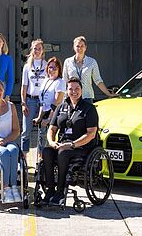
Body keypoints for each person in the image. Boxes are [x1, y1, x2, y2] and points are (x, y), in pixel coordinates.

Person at [41, 77, 99, 205]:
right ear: (66, 91)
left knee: (63, 152)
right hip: (63, 143)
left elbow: (91, 134)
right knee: (46, 151)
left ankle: (60, 192)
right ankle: (50, 190)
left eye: (77, 88)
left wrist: (73, 144)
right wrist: (51, 142)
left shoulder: (89, 108)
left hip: (82, 146)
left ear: (82, 91)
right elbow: (52, 128)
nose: (74, 91)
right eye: (71, 89)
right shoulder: (61, 107)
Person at [62, 35, 115, 101]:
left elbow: (98, 80)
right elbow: (64, 81)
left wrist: (108, 93)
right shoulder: (68, 61)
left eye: (82, 46)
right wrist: (63, 97)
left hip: (87, 97)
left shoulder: (92, 62)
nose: (80, 48)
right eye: (77, 46)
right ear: (74, 47)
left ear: (85, 47)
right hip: (72, 97)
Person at [31, 56, 66, 154]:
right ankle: (41, 164)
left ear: (59, 69)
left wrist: (49, 119)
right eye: (50, 67)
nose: (52, 70)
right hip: (45, 112)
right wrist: (39, 117)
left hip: (55, 114)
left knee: (49, 141)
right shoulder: (46, 81)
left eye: (55, 68)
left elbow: (57, 102)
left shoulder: (60, 82)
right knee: (41, 141)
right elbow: (43, 102)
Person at [20, 39, 47, 153]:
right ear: (31, 50)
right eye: (35, 48)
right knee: (26, 131)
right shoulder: (27, 66)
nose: (37, 51)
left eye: (39, 48)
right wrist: (23, 103)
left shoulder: (46, 65)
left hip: (43, 101)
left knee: (43, 131)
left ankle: (41, 158)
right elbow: (24, 86)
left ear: (42, 51)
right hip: (30, 99)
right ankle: (24, 159)